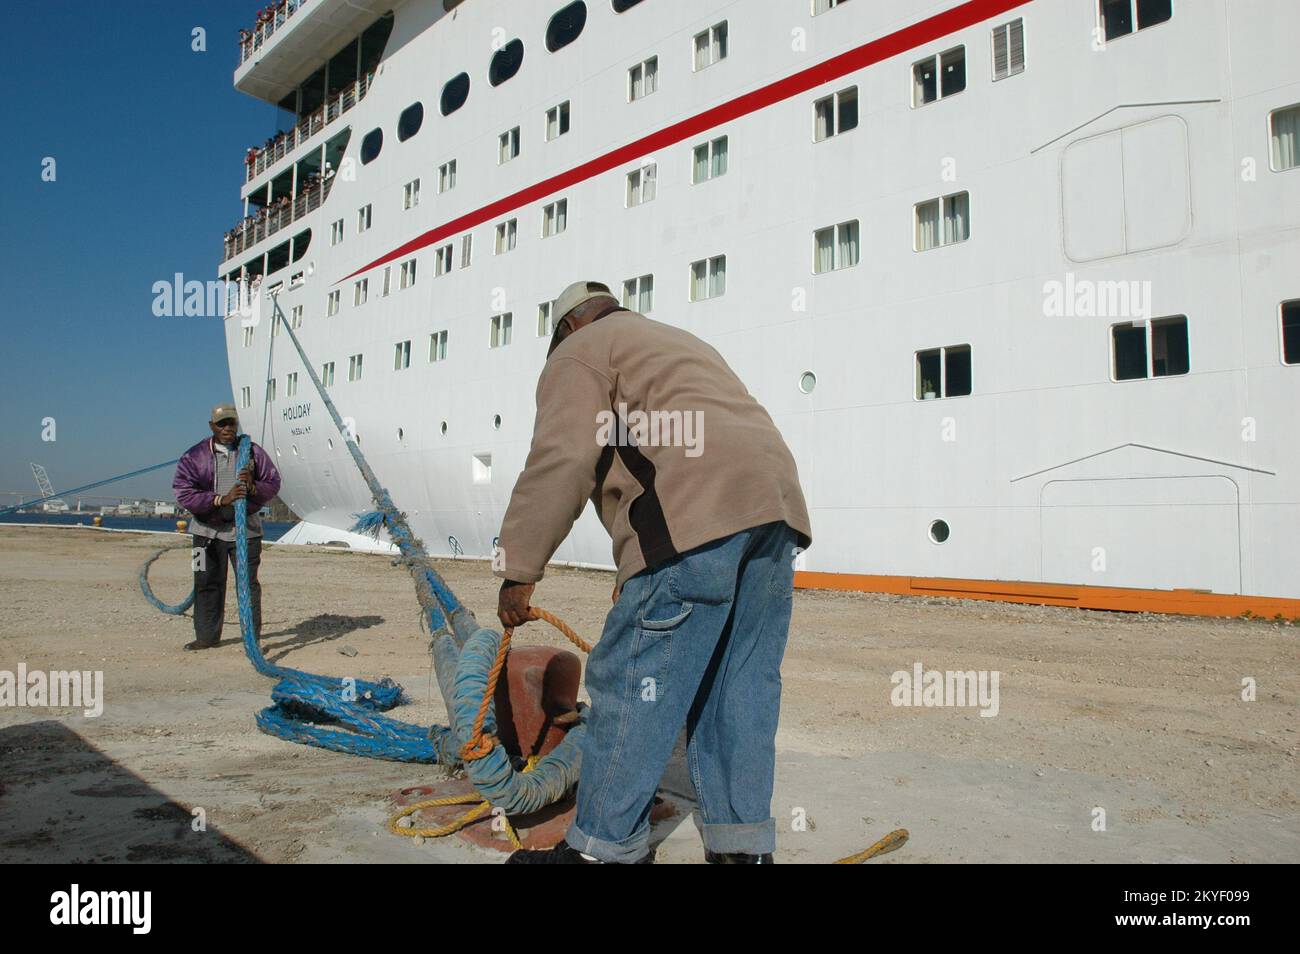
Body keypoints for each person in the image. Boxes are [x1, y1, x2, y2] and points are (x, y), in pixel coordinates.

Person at [495, 281, 812, 864]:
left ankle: (601, 852)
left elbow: (563, 457)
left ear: (566, 327)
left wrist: (518, 567)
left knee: (633, 682)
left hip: (696, 515)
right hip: (775, 511)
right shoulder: (674, 341)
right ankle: (742, 851)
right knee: (739, 688)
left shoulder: (581, 350)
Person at [172, 405, 282, 651]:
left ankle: (251, 639)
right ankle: (206, 636)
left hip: (246, 533)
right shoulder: (194, 456)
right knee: (204, 581)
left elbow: (274, 481)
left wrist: (254, 488)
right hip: (204, 534)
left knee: (248, 586)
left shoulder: (253, 453)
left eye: (231, 423)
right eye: (221, 424)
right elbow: (183, 492)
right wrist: (220, 500)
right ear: (212, 426)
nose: (227, 428)